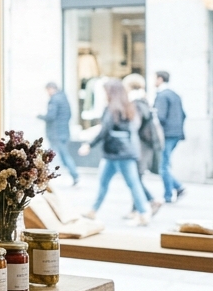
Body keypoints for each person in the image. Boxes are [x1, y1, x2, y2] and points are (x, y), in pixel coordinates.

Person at [80, 79, 160, 226]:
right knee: (124, 183)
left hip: (117, 152)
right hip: (124, 152)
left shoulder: (112, 108)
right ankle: (93, 211)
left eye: (105, 91)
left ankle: (144, 212)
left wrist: (89, 144)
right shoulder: (128, 107)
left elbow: (104, 130)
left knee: (128, 183)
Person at [122, 73, 163, 212]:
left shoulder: (136, 103)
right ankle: (141, 207)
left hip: (141, 146)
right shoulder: (144, 100)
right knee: (135, 178)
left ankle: (146, 205)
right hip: (145, 145)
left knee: (135, 178)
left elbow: (135, 125)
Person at [153, 70, 187, 203]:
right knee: (165, 163)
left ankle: (168, 195)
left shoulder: (162, 96)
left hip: (166, 134)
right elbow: (184, 114)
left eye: (154, 78)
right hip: (176, 134)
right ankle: (178, 187)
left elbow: (160, 117)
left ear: (160, 79)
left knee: (163, 165)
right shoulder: (175, 95)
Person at [38, 82, 79, 185]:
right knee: (63, 155)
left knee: (51, 155)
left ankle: (41, 176)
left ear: (51, 89)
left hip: (56, 133)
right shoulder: (64, 98)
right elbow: (69, 115)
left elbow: (51, 116)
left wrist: (39, 116)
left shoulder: (54, 100)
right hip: (64, 132)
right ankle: (74, 175)